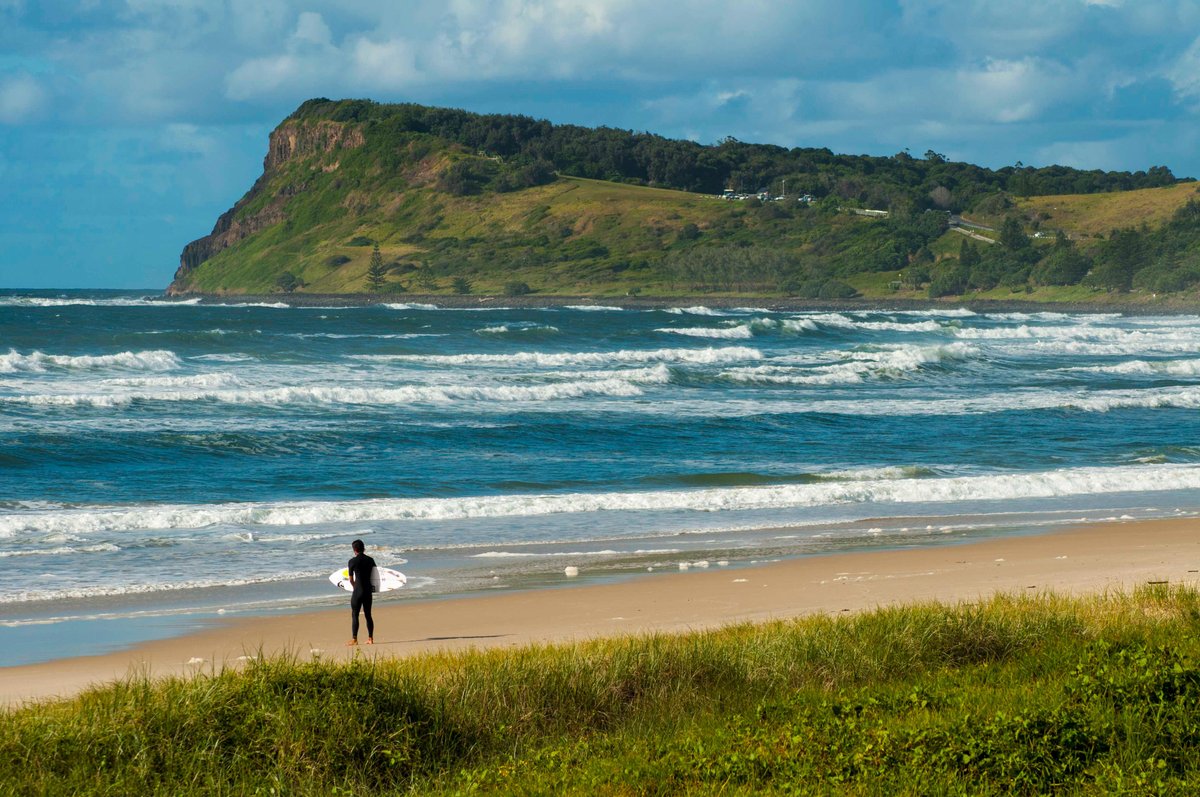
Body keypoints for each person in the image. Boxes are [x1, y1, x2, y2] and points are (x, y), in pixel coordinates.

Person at [346, 539, 377, 645]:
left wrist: (355, 587)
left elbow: (350, 580)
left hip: (358, 591)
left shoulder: (352, 561)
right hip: (368, 591)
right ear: (363, 548)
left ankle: (354, 639)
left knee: (355, 614)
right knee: (368, 614)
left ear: (354, 550)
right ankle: (370, 638)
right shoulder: (371, 560)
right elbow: (375, 577)